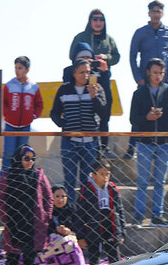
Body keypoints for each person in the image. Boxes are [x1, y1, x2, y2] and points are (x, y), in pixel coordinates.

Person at [0, 145, 52, 265]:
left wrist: (45, 217)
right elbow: (0, 199)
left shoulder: (39, 175)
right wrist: (6, 218)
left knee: (30, 259)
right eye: (26, 158)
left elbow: (48, 198)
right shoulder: (8, 177)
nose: (30, 162)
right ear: (18, 159)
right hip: (14, 223)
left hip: (34, 224)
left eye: (32, 159)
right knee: (12, 259)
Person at [129, 58, 168, 226]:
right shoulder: (139, 93)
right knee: (143, 180)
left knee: (160, 181)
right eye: (155, 72)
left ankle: (158, 214)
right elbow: (133, 118)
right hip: (145, 142)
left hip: (164, 143)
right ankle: (139, 215)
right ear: (148, 72)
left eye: (161, 73)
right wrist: (147, 118)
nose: (158, 76)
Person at [50, 58, 107, 203]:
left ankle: (85, 212)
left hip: (90, 143)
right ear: (74, 73)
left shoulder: (97, 88)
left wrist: (94, 97)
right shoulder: (64, 90)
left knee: (87, 180)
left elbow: (104, 114)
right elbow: (54, 112)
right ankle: (70, 211)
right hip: (70, 142)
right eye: (82, 72)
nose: (85, 75)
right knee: (69, 179)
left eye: (88, 72)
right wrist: (65, 125)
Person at [69, 9, 120, 158]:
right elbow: (71, 55)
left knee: (105, 114)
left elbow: (117, 57)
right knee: (86, 112)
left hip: (103, 79)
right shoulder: (80, 37)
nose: (98, 23)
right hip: (83, 79)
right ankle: (84, 146)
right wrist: (85, 60)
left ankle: (104, 148)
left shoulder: (109, 39)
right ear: (90, 21)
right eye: (95, 19)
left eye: (101, 20)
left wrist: (105, 58)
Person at [35, 185, 86, 265]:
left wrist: (69, 232)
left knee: (71, 244)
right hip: (50, 246)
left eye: (63, 196)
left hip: (68, 245)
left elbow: (78, 228)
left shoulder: (71, 210)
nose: (60, 199)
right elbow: (40, 229)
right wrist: (54, 231)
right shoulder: (46, 211)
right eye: (57, 196)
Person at [75, 158, 125, 265]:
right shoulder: (87, 190)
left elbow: (120, 211)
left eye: (107, 174)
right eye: (101, 174)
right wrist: (80, 236)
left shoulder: (113, 189)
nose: (105, 177)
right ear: (93, 175)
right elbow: (80, 214)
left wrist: (122, 232)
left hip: (111, 227)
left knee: (115, 262)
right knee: (94, 262)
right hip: (93, 228)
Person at [2, 56, 43, 172]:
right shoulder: (9, 85)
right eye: (15, 68)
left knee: (23, 154)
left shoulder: (34, 87)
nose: (17, 71)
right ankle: (4, 182)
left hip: (25, 126)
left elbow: (39, 104)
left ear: (27, 69)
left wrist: (33, 116)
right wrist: (7, 115)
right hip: (10, 125)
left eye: (20, 68)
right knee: (9, 154)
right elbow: (3, 102)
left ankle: (20, 181)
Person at [130, 1, 168, 86]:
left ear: (162, 14)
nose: (156, 15)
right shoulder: (140, 33)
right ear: (149, 13)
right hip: (145, 79)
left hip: (164, 79)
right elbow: (132, 56)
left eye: (158, 12)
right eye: (153, 11)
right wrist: (138, 78)